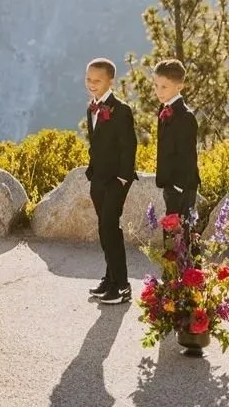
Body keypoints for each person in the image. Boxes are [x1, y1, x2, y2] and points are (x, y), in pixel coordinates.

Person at [84, 57, 137, 305]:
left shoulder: (121, 110)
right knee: (104, 230)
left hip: (116, 180)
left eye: (97, 80)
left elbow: (129, 147)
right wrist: (92, 171)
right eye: (89, 80)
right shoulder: (91, 108)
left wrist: (122, 178)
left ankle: (123, 286)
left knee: (109, 228)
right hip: (98, 178)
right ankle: (110, 279)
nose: (92, 84)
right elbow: (96, 144)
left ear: (110, 81)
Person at [153, 58, 200, 223]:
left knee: (181, 237)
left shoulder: (185, 117)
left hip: (183, 186)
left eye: (164, 86)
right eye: (156, 85)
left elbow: (189, 157)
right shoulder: (164, 109)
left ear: (179, 87)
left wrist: (178, 187)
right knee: (171, 238)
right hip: (169, 183)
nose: (159, 91)